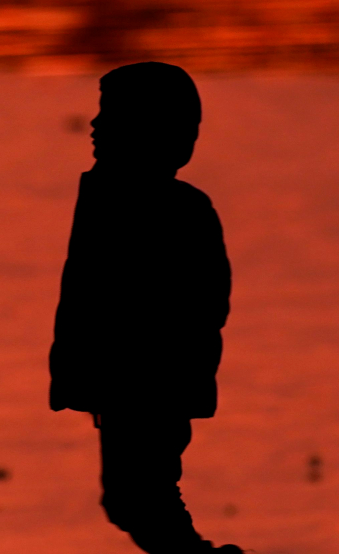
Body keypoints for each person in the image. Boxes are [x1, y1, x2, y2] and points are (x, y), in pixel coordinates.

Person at [49, 62, 242, 554]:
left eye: (110, 115)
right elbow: (88, 295)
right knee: (134, 498)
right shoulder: (111, 197)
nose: (94, 125)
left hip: (151, 382)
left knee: (138, 497)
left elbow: (204, 302)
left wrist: (144, 371)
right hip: (126, 383)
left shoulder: (176, 209)